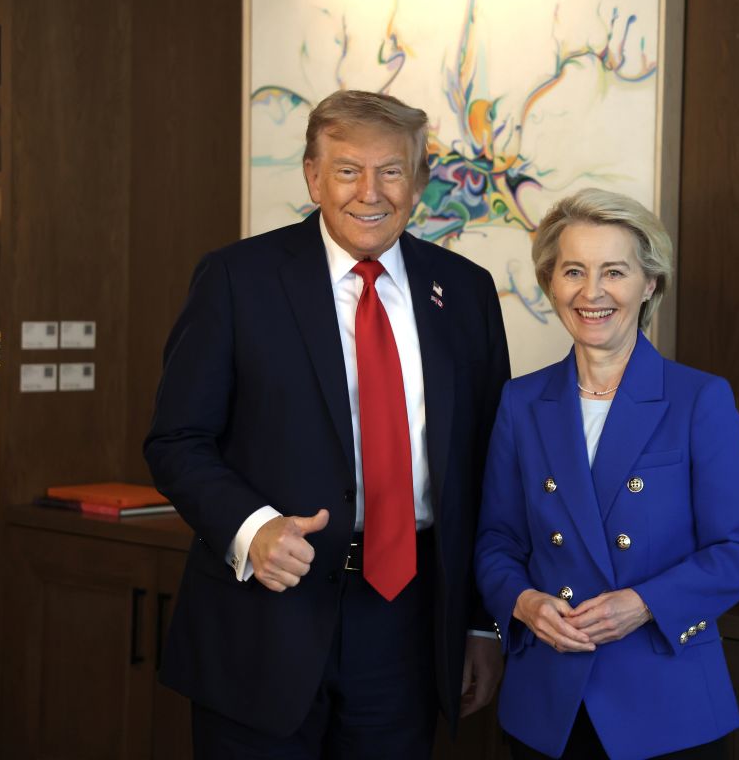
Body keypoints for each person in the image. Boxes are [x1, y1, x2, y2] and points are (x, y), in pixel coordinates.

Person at [145, 89, 509, 758]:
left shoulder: (466, 291)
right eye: (347, 170)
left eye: (391, 170)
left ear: (419, 182)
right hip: (265, 617)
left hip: (408, 624)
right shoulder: (237, 279)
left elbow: (491, 467)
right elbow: (176, 440)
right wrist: (252, 528)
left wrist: (481, 624)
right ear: (314, 177)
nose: (370, 192)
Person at [474, 188, 739, 760]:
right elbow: (496, 540)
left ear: (649, 283)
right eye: (573, 271)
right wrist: (524, 602)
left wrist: (643, 603)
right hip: (548, 699)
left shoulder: (699, 399)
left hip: (665, 700)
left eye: (614, 271)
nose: (592, 292)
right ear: (551, 283)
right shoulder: (520, 401)